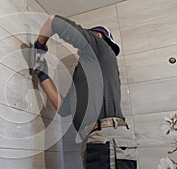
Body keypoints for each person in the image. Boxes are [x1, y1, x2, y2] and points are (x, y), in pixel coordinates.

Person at [32, 15, 138, 169]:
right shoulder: (86, 74)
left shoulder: (100, 47)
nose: (78, 48)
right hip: (97, 140)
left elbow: (53, 21)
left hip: (107, 139)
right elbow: (64, 108)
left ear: (98, 36)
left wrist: (39, 46)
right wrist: (42, 73)